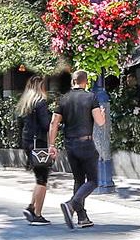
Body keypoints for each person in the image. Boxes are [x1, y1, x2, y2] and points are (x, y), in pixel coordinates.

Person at [55, 69, 106, 228]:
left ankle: (82, 217)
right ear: (86, 82)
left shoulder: (63, 99)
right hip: (86, 143)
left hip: (70, 144)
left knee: (78, 180)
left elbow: (54, 123)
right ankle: (71, 204)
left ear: (73, 81)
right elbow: (100, 122)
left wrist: (51, 144)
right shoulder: (91, 97)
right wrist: (103, 114)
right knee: (93, 180)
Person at [18, 77, 55, 225]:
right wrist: (55, 120)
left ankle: (31, 207)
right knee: (42, 180)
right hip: (39, 144)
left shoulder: (26, 104)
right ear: (40, 87)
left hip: (28, 143)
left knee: (39, 177)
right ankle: (37, 215)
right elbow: (46, 124)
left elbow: (20, 124)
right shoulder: (40, 103)